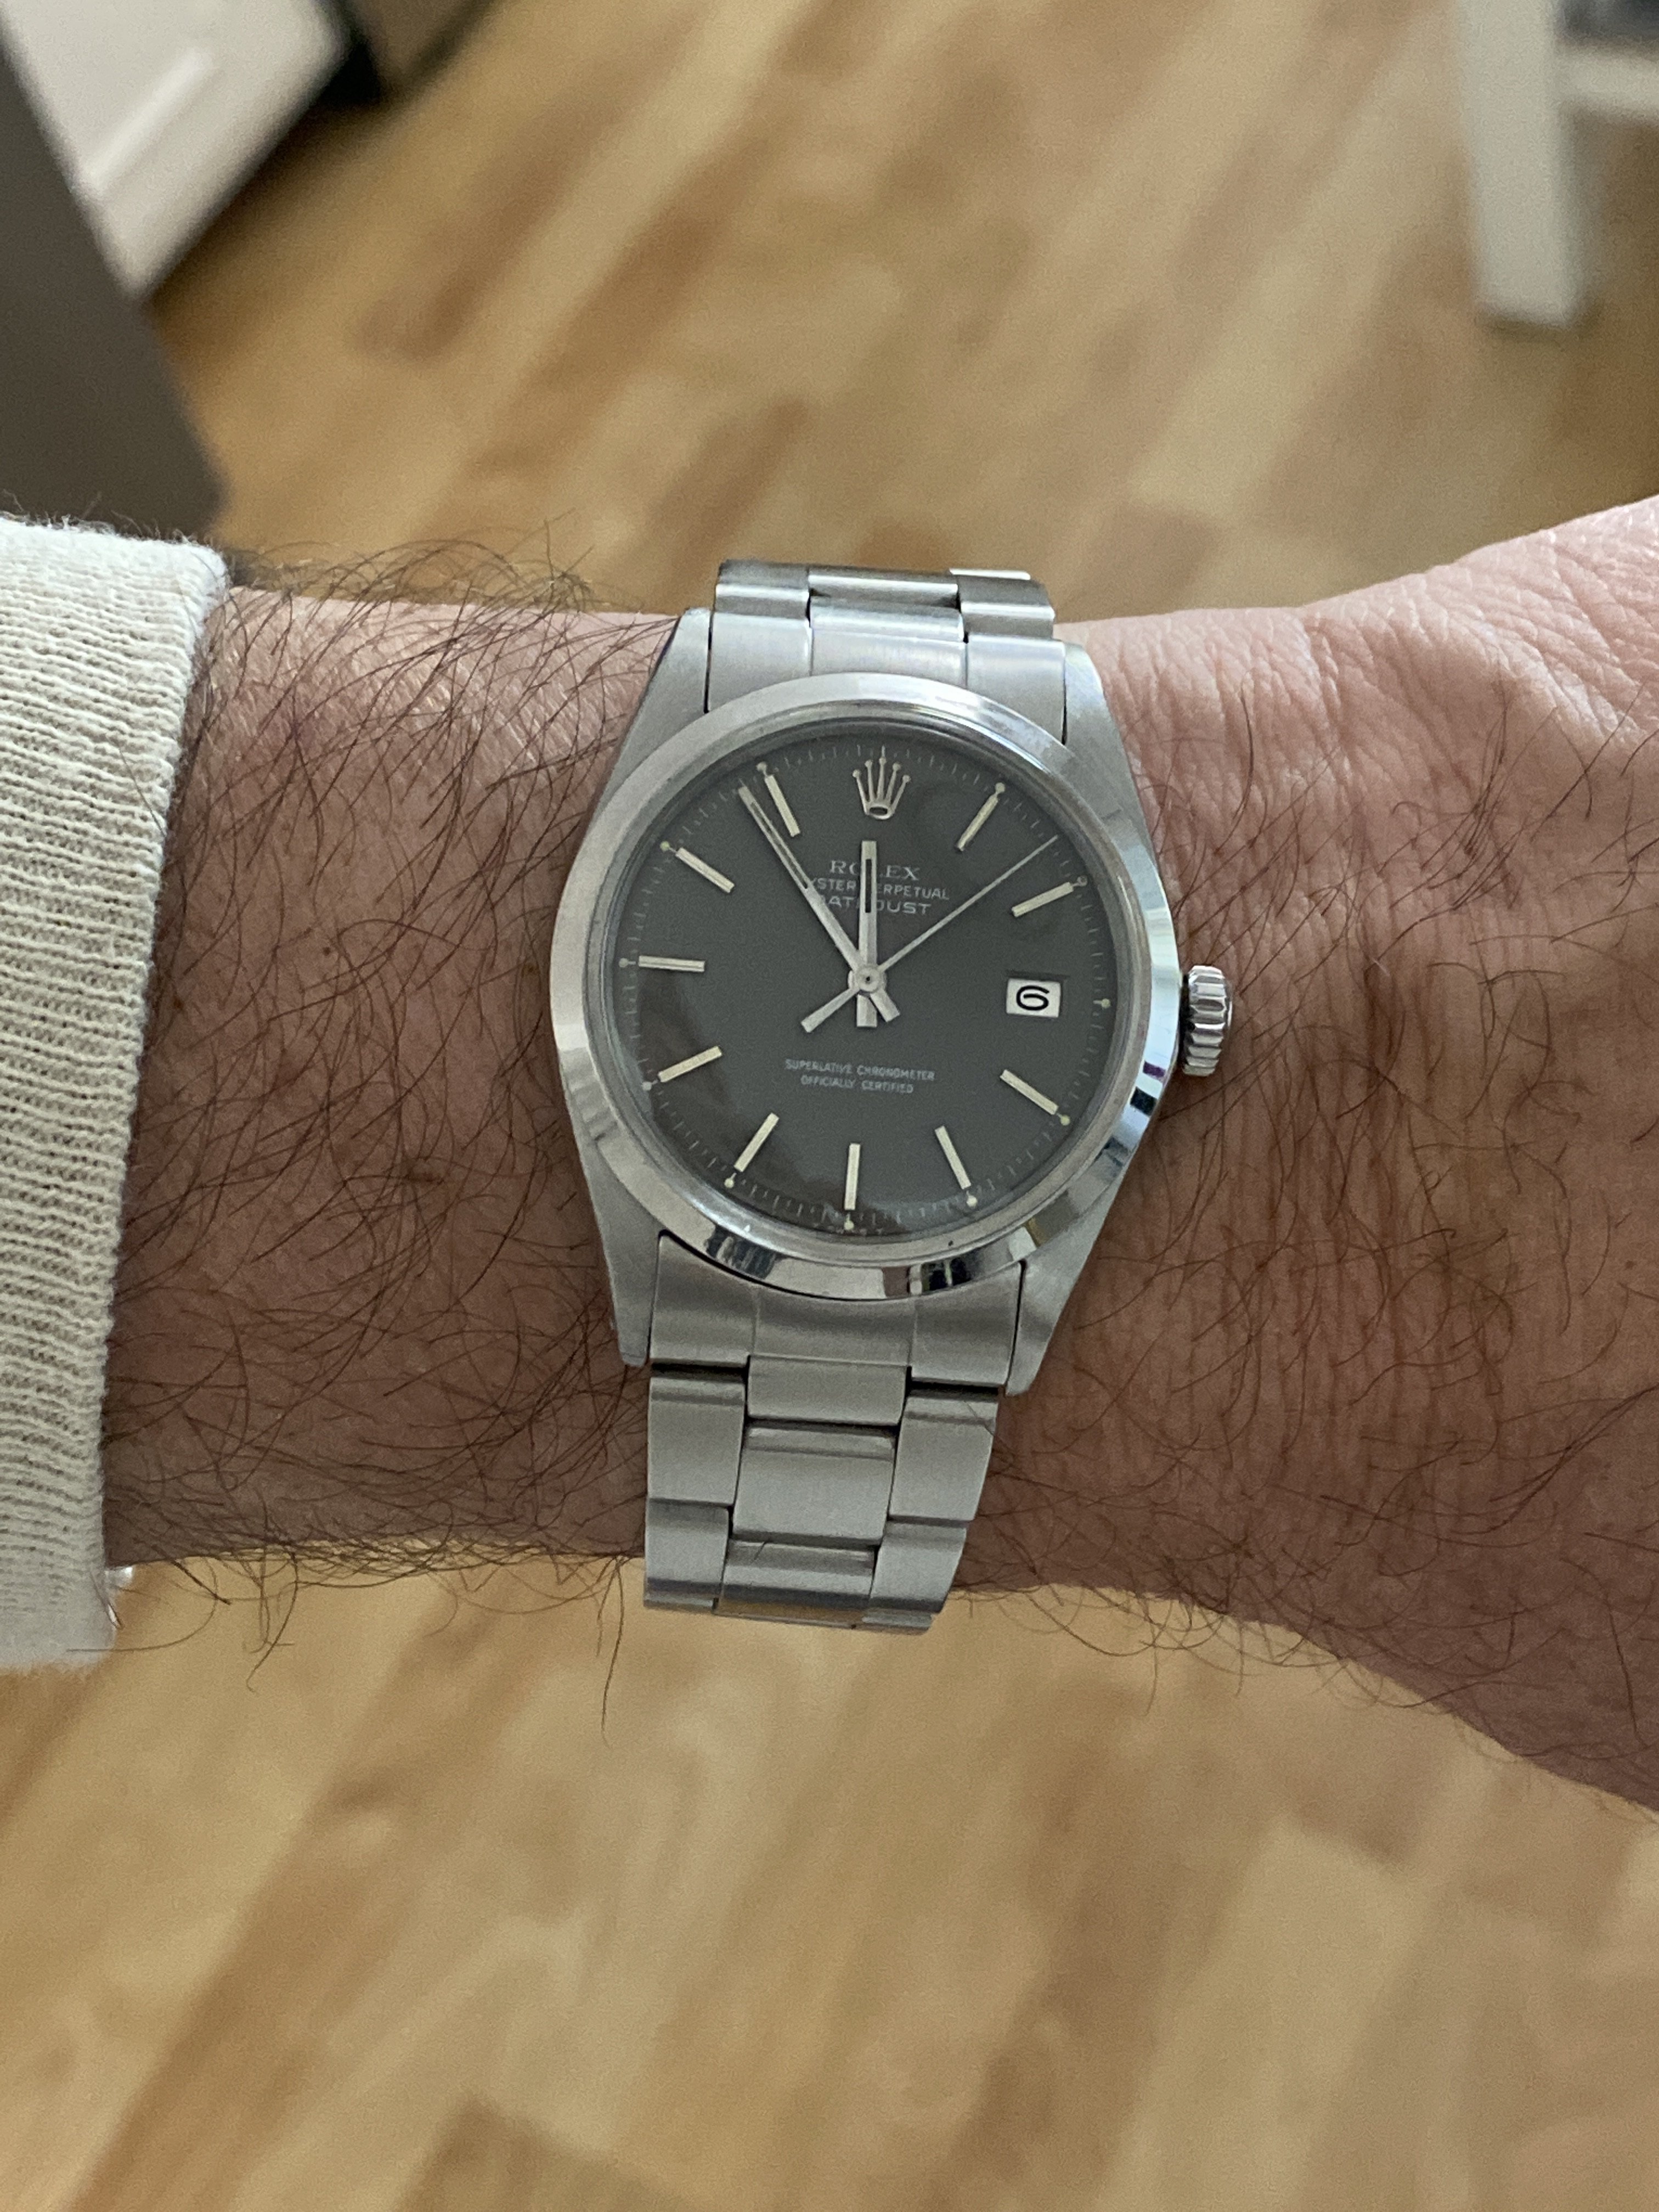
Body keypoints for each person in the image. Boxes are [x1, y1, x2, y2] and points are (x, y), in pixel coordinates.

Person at [2, 501, 1657, 1810]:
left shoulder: (1133, 1015)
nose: (869, 997)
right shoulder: (625, 969)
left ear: (1178, 1017)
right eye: (862, 985)